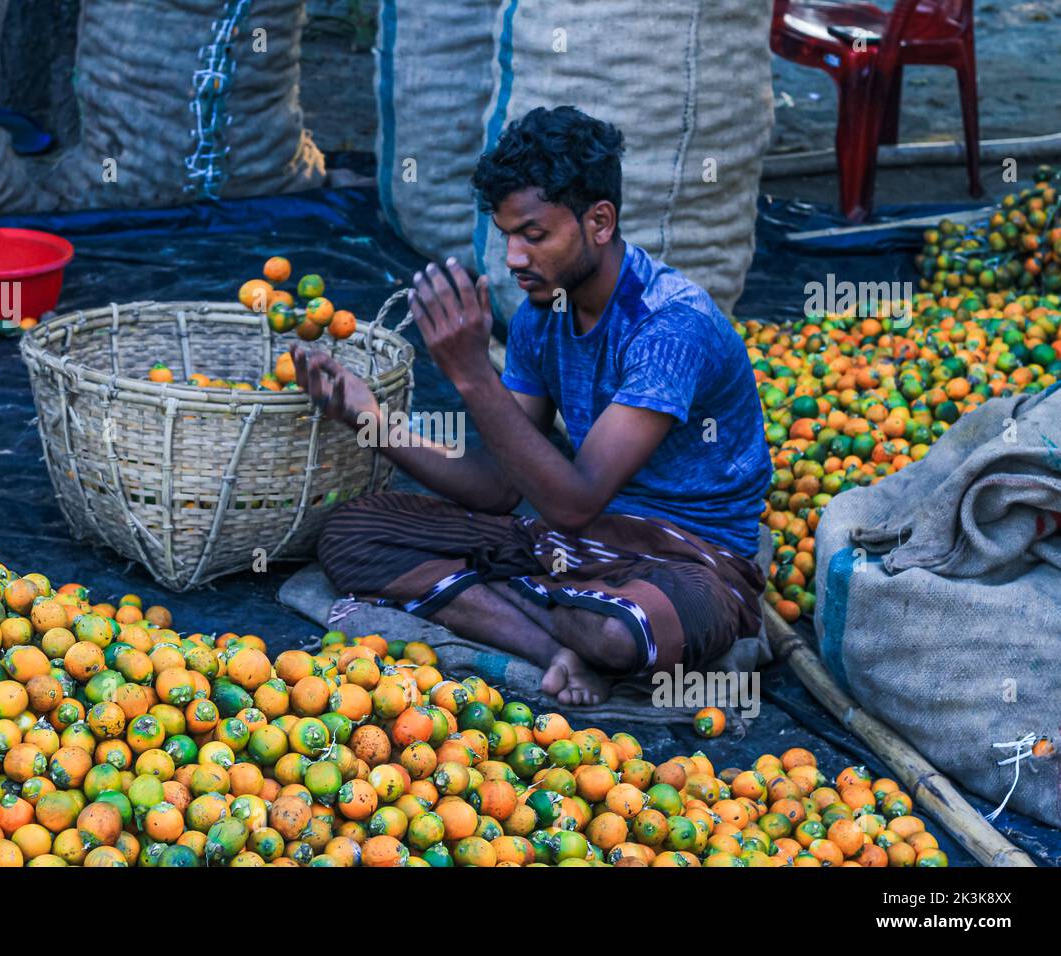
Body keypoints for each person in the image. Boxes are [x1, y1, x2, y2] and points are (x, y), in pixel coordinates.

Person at [291, 106, 770, 706]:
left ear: (599, 221)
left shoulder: (671, 328)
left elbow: (574, 500)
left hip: (683, 557)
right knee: (352, 533)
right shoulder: (544, 315)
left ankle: (516, 609)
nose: (514, 257)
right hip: (562, 547)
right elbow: (496, 488)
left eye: (534, 235)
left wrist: (470, 374)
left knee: (622, 634)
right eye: (506, 235)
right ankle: (555, 649)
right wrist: (369, 418)